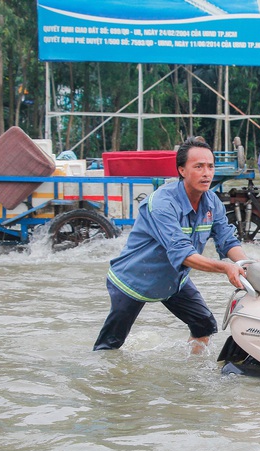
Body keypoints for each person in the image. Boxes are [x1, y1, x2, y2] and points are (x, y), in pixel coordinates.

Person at [93, 136, 249, 354]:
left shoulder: (212, 202)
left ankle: (192, 374)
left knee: (204, 325)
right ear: (182, 170)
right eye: (198, 167)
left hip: (173, 280)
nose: (206, 173)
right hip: (134, 279)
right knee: (109, 346)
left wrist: (248, 263)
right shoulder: (162, 203)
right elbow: (183, 254)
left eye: (210, 166)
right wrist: (225, 268)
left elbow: (227, 240)